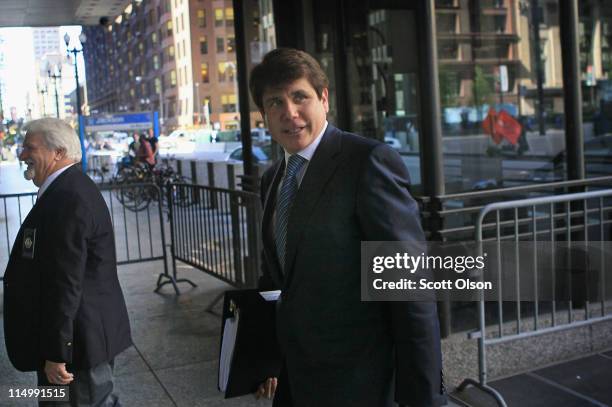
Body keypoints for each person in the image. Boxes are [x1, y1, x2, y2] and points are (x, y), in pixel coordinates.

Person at [250, 48, 445, 407]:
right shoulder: (273, 179)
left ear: (324, 99)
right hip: (295, 381)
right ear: (264, 115)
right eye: (275, 102)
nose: (289, 113)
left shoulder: (367, 163)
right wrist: (264, 358)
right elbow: (276, 278)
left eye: (300, 97)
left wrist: (423, 399)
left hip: (359, 385)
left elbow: (410, 292)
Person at [3, 118, 132, 406]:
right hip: (72, 343)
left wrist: (57, 352)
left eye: (29, 147)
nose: (22, 155)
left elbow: (65, 283)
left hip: (75, 350)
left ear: (58, 152)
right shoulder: (66, 190)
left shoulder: (69, 198)